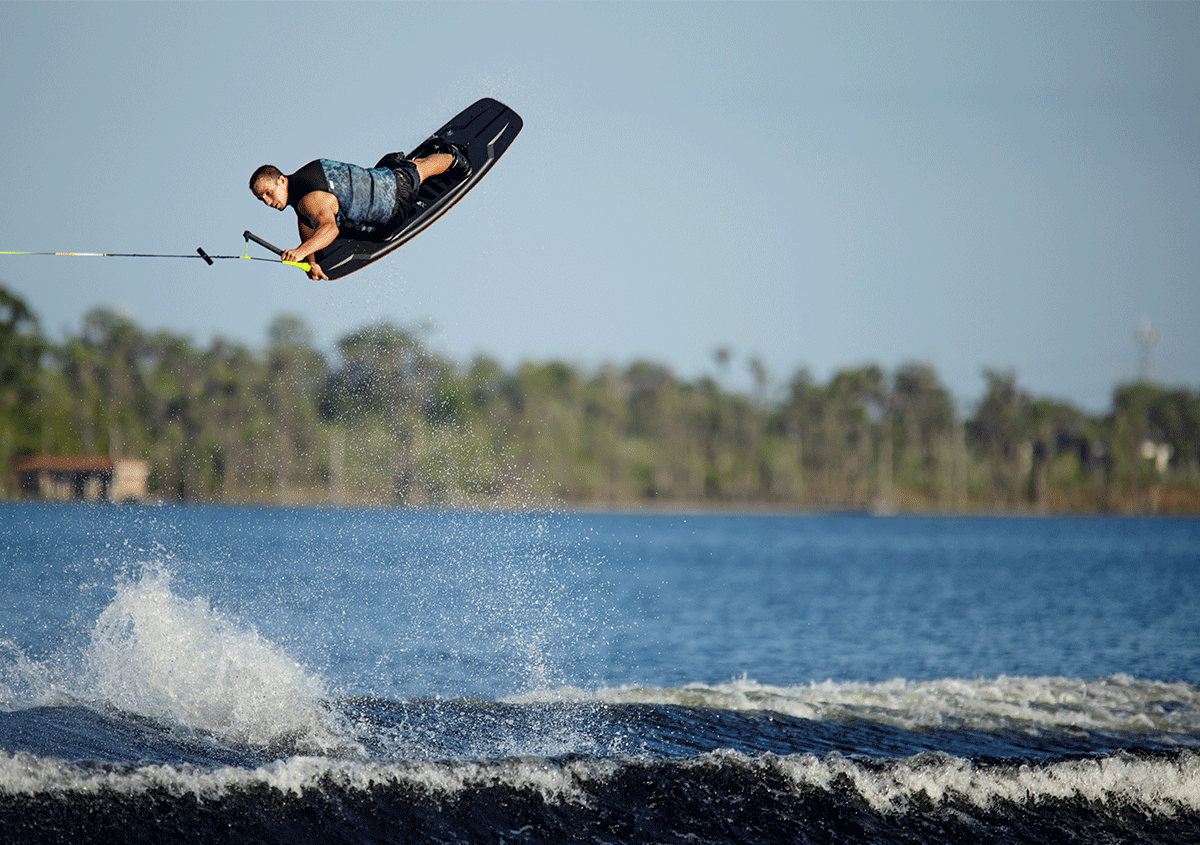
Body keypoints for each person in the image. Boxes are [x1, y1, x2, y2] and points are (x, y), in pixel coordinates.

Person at [249, 145, 468, 280]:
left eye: (268, 193)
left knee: (417, 169)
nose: (268, 202)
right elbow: (307, 222)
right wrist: (311, 260)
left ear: (280, 180)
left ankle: (454, 159)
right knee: (395, 165)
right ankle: (411, 164)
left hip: (394, 204)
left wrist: (300, 251)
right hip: (382, 178)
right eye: (262, 199)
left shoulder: (309, 201)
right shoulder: (305, 180)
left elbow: (329, 228)